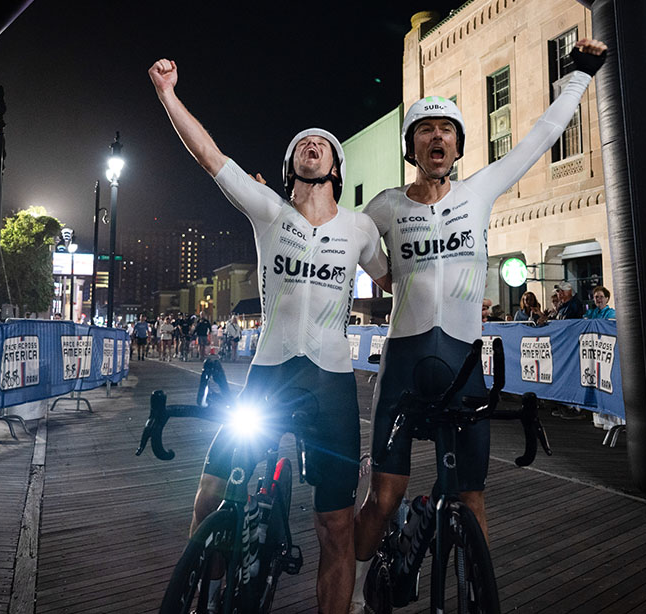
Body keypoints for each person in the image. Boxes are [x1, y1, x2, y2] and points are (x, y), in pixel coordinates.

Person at [352, 37, 608, 611]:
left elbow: (540, 137)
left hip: (464, 365)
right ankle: (348, 594)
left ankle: (477, 597)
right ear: (412, 145)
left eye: (447, 129)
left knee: (470, 497)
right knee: (384, 499)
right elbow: (363, 260)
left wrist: (580, 75)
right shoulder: (387, 207)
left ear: (458, 144)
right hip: (405, 366)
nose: (437, 137)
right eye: (426, 130)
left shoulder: (478, 192)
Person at [149, 57, 390, 613]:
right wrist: (168, 93)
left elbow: (396, 278)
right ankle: (204, 595)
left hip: (331, 385)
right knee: (210, 494)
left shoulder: (359, 227)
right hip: (269, 373)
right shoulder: (269, 212)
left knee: (335, 527)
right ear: (290, 165)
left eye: (322, 143)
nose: (312, 144)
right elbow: (210, 156)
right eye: (302, 141)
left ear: (335, 164)